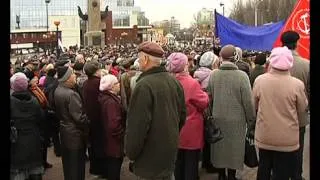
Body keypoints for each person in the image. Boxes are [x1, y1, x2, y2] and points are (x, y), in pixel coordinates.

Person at [125, 42, 186, 180]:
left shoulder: (143, 86)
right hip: (169, 153)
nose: (138, 61)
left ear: (145, 59)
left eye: (139, 58)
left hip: (149, 159)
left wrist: (131, 153)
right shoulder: (174, 82)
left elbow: (137, 127)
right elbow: (182, 116)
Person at [253, 46, 308, 180]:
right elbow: (302, 110)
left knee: (264, 168)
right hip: (287, 138)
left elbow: (254, 105)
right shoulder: (297, 85)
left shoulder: (260, 81)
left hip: (265, 134)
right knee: (282, 172)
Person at [207, 44, 256, 180]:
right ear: (235, 57)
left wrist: (210, 115)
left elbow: (209, 99)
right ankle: (232, 176)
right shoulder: (242, 77)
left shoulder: (214, 75)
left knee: (220, 149)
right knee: (234, 149)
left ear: (221, 57)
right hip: (237, 121)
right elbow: (248, 102)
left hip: (218, 118)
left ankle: (221, 175)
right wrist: (251, 121)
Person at [166, 52, 209, 180]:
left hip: (172, 129)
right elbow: (203, 102)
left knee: (177, 164)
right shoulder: (192, 83)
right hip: (190, 130)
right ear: (185, 66)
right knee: (191, 165)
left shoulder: (167, 82)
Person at [281, 31, 310, 180]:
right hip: (299, 116)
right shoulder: (306, 64)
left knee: (280, 148)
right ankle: (296, 175)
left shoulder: (272, 63)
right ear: (297, 43)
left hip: (278, 115)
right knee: (298, 148)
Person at [54, 66, 89, 180]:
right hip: (74, 134)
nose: (75, 75)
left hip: (64, 131)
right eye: (73, 74)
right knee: (76, 166)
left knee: (68, 165)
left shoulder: (58, 89)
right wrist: (89, 122)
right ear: (67, 78)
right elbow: (79, 118)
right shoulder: (71, 94)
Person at [10, 73, 45, 180]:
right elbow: (41, 118)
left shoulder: (11, 102)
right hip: (33, 140)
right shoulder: (34, 100)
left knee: (19, 173)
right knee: (35, 171)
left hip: (16, 143)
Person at [98, 74, 126, 180]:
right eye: (116, 83)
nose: (119, 85)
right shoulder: (111, 102)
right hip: (113, 142)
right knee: (114, 168)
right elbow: (114, 124)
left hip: (109, 140)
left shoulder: (106, 98)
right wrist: (122, 133)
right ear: (111, 87)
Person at [82, 61, 106, 177]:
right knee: (101, 145)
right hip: (100, 118)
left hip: (89, 118)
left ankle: (95, 168)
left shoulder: (86, 83)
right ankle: (102, 169)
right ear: (96, 71)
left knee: (93, 145)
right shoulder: (99, 83)